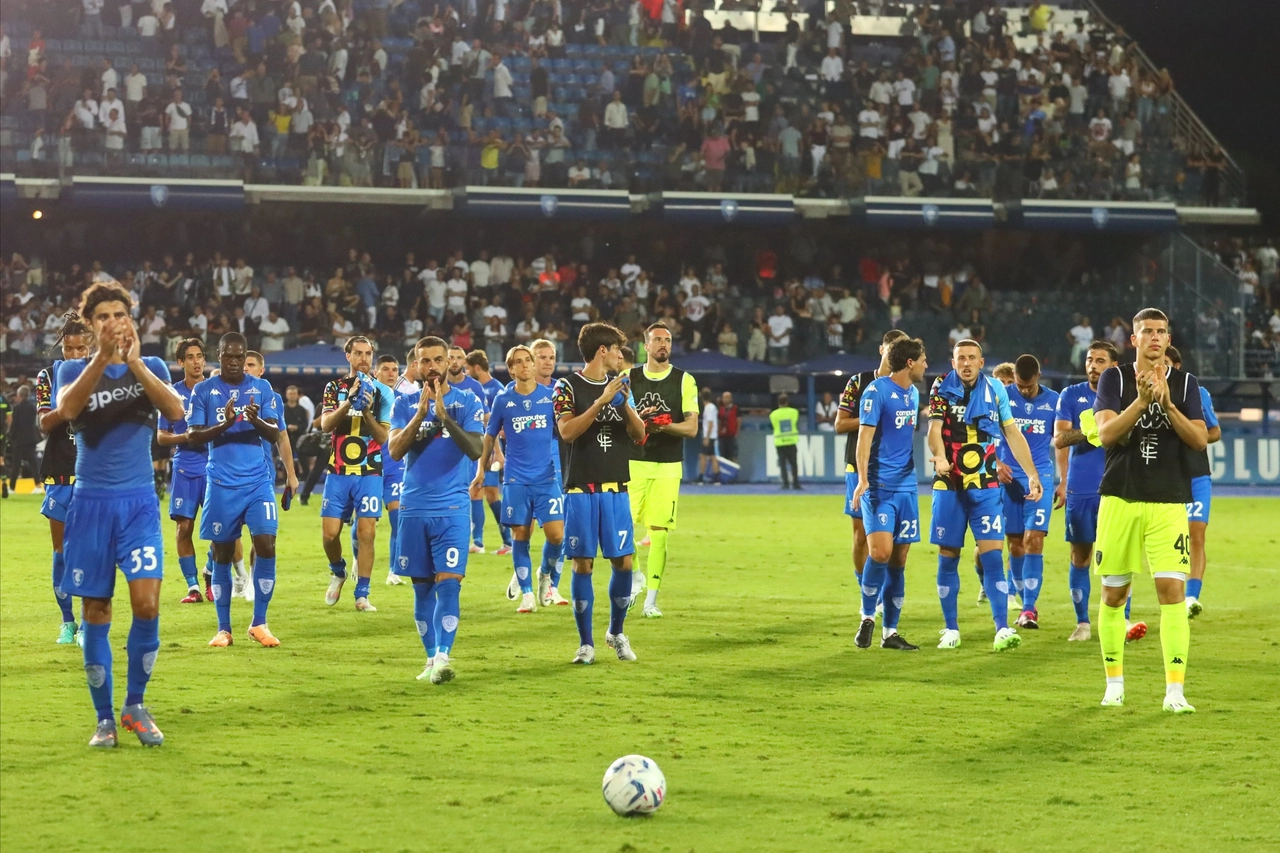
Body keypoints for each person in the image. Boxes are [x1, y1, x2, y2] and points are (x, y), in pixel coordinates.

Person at [55, 280, 185, 747]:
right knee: (97, 607)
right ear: (90, 326)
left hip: (139, 504)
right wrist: (101, 359)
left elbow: (175, 410)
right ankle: (104, 719)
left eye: (120, 314)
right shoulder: (72, 366)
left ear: (131, 319)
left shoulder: (148, 366)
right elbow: (68, 410)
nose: (113, 322)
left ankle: (135, 705)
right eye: (103, 317)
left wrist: (133, 365)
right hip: (91, 504)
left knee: (147, 604)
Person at [1093, 308, 1207, 713]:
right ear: (1134, 340)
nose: (1155, 338)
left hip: (1168, 502)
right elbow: (1105, 433)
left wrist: (1170, 406)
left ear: (1169, 340)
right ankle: (1114, 685)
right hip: (1120, 499)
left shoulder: (1186, 383)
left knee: (1172, 593)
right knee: (1113, 594)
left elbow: (1199, 440)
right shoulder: (1114, 378)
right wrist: (1142, 402)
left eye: (1161, 332)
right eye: (1147, 332)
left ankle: (1175, 692)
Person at [927, 339, 1043, 652]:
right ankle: (951, 628)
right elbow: (934, 430)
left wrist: (1031, 473)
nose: (965, 363)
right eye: (960, 358)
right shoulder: (940, 387)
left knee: (993, 556)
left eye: (971, 358)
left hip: (986, 483)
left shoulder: (996, 389)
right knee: (949, 556)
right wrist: (938, 456)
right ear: (953, 363)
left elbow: (1011, 432)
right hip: (949, 481)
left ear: (982, 361)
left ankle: (1002, 628)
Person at [388, 336, 485, 684]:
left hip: (454, 508)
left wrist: (444, 416)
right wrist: (420, 414)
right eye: (424, 361)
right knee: (421, 587)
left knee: (450, 584)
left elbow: (476, 449)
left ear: (448, 363)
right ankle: (430, 659)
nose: (431, 367)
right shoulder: (403, 403)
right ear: (416, 365)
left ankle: (444, 655)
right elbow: (396, 450)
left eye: (438, 360)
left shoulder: (467, 401)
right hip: (413, 508)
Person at [553, 322, 647, 664]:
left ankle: (617, 633)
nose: (622, 357)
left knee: (623, 562)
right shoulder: (567, 387)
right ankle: (586, 643)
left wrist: (623, 404)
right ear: (602, 351)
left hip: (615, 488)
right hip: (581, 488)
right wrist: (600, 402)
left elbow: (639, 435)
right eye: (617, 350)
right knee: (583, 564)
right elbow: (567, 432)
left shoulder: (623, 386)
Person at [186, 334, 283, 648]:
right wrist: (225, 424)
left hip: (257, 482)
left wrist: (255, 421)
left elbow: (273, 433)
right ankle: (223, 629)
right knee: (223, 555)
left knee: (266, 544)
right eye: (228, 356)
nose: (233, 361)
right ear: (219, 355)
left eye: (239, 357)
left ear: (245, 357)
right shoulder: (203, 391)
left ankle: (259, 623)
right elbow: (194, 436)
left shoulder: (262, 388)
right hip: (221, 484)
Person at [850, 337, 928, 651]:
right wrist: (863, 479)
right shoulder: (876, 391)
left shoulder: (913, 393)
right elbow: (864, 439)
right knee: (880, 552)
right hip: (879, 485)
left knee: (900, 558)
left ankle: (890, 632)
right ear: (909, 362)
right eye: (923, 359)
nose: (926, 365)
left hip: (907, 487)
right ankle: (868, 616)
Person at [473, 345, 564, 614]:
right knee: (520, 537)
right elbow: (489, 436)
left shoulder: (550, 397)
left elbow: (564, 434)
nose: (525, 365)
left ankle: (545, 574)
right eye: (519, 362)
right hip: (516, 479)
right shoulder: (503, 400)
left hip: (547, 478)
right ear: (510, 369)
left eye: (528, 360)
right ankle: (527, 595)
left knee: (557, 536)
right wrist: (481, 471)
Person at [627, 323, 699, 618]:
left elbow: (692, 427)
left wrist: (663, 426)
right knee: (622, 529)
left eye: (667, 340)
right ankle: (635, 576)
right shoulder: (628, 378)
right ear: (646, 345)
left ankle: (651, 601)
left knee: (659, 534)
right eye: (657, 339)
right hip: (632, 463)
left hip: (668, 467)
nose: (663, 344)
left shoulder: (684, 380)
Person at [319, 336, 395, 612]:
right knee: (329, 536)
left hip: (369, 472)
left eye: (368, 353)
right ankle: (338, 570)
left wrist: (365, 411)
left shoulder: (384, 393)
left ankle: (362, 594)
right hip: (338, 471)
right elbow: (326, 425)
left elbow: (384, 436)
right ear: (348, 356)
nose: (364, 358)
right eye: (358, 353)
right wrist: (348, 401)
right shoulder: (334, 387)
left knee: (367, 532)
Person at [1053, 340, 1119, 643]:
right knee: (1080, 555)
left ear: (1113, 366)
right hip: (1081, 488)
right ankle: (1082, 623)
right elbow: (1060, 439)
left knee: (1117, 556)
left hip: (1117, 486)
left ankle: (1122, 620)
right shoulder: (1071, 395)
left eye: (1100, 361)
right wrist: (1091, 431)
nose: (1093, 365)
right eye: (1090, 360)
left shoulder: (1125, 396)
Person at [836, 329, 908, 605]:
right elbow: (840, 424)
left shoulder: (905, 386)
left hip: (894, 472)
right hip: (859, 468)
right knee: (861, 537)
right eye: (891, 350)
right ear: (882, 350)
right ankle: (867, 591)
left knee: (892, 541)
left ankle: (884, 594)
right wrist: (870, 418)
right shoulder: (859, 382)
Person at [36, 314, 92, 645]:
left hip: (92, 472)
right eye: (69, 349)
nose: (74, 355)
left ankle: (87, 623)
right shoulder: (48, 375)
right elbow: (44, 423)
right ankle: (67, 621)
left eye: (80, 348)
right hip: (59, 471)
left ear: (90, 347)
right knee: (61, 552)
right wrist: (69, 406)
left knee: (88, 551)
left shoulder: (102, 376)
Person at [998, 355, 1060, 630]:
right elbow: (985, 432)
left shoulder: (1054, 400)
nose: (1024, 391)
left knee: (1034, 539)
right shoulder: (1001, 395)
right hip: (1008, 475)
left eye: (1029, 386)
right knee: (1015, 545)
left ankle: (1028, 609)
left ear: (1039, 376)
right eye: (1020, 386)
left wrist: (1065, 478)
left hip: (1041, 475)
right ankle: (1023, 599)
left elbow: (1060, 440)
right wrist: (996, 462)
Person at [156, 338, 217, 603]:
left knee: (222, 530)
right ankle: (193, 587)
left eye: (200, 356)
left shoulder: (217, 389)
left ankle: (210, 573)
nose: (196, 361)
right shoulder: (172, 393)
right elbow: (161, 436)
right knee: (184, 527)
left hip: (216, 467)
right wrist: (187, 437)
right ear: (180, 362)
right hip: (185, 468)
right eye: (190, 357)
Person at [1164, 346, 1219, 619]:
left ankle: (1191, 597)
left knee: (1196, 535)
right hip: (1167, 475)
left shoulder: (1197, 391)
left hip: (1196, 473)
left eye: (1166, 363)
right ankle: (1172, 595)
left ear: (1177, 365)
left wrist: (1191, 435)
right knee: (1172, 539)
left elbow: (1214, 431)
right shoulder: (1147, 392)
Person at [529, 337, 569, 606]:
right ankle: (523, 577)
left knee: (561, 528)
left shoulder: (562, 390)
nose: (548, 361)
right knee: (525, 528)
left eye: (551, 357)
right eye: (542, 356)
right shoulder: (517, 392)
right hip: (525, 466)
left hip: (558, 460)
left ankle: (551, 581)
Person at [444, 346, 490, 554]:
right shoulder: (437, 386)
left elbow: (487, 421)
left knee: (475, 494)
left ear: (465, 362)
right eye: (451, 357)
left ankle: (478, 541)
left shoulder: (475, 388)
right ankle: (450, 538)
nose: (454, 361)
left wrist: (491, 451)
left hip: (469, 448)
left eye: (459, 358)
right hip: (444, 449)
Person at [466, 350, 512, 556]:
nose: (466, 373)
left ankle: (484, 542)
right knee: (489, 494)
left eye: (468, 368)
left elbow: (495, 424)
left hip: (491, 450)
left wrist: (497, 452)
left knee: (485, 493)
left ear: (476, 368)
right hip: (483, 449)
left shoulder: (495, 390)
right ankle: (502, 542)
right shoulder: (479, 388)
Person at [374, 355, 407, 586]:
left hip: (395, 467)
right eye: (385, 369)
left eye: (395, 369)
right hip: (370, 467)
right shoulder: (366, 400)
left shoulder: (404, 401)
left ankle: (393, 571)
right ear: (376, 373)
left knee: (398, 520)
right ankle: (358, 560)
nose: (391, 373)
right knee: (365, 524)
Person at [6, 385, 39, 491]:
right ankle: (38, 486)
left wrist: (10, 438)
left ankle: (12, 487)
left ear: (19, 395)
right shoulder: (32, 407)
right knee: (34, 464)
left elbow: (14, 425)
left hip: (19, 441)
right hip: (30, 439)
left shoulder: (16, 409)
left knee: (16, 465)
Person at [770, 393, 801, 489]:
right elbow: (795, 422)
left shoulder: (773, 414)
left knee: (782, 464)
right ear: (787, 402)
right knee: (794, 463)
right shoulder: (794, 412)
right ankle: (795, 483)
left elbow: (775, 426)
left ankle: (785, 483)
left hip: (780, 442)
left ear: (778, 402)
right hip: (791, 441)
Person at [697, 387, 720, 485]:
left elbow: (710, 423)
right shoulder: (711, 407)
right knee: (712, 457)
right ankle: (716, 477)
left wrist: (706, 437)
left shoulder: (709, 408)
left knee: (703, 456)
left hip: (709, 436)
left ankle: (701, 477)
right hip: (712, 436)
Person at [717, 391, 740, 462]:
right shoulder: (720, 409)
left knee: (733, 456)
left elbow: (739, 421)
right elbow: (719, 421)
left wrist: (737, 432)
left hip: (731, 436)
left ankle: (734, 472)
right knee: (722, 457)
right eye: (723, 397)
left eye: (726, 397)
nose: (724, 399)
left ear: (731, 399)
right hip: (722, 436)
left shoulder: (736, 408)